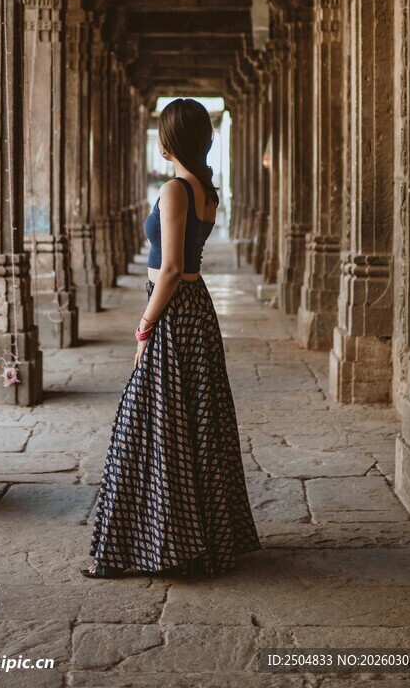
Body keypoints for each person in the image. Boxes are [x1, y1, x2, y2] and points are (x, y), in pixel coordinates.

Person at [82, 97, 262, 578]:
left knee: (153, 426)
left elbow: (170, 268)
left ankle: (165, 543)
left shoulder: (175, 190)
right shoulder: (206, 190)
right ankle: (196, 538)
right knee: (194, 423)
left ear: (169, 142)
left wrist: (144, 323)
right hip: (196, 311)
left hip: (174, 310)